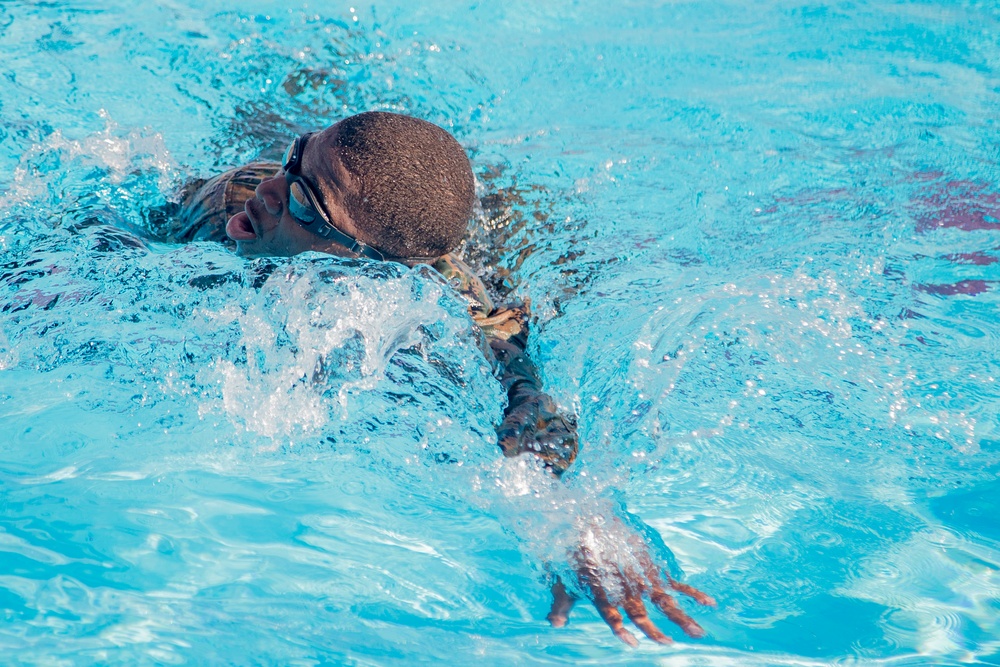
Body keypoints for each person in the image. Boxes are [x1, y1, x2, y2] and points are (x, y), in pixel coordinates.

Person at [165, 110, 715, 645]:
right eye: (295, 157)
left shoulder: (450, 306)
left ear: (377, 267)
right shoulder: (231, 203)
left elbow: (525, 397)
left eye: (306, 206)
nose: (275, 191)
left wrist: (572, 521)